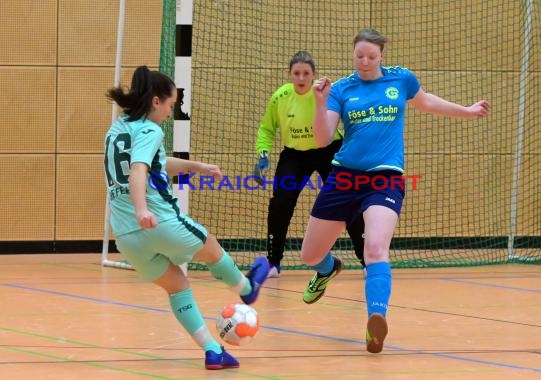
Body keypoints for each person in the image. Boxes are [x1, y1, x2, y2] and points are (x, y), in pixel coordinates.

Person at [299, 28, 490, 353]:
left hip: (385, 178)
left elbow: (427, 102)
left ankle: (376, 319)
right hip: (344, 178)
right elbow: (321, 138)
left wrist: (467, 110)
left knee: (375, 249)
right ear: (353, 54)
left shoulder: (401, 80)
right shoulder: (342, 89)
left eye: (371, 57)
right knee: (310, 255)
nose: (364, 61)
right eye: (359, 55)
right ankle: (328, 268)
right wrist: (318, 103)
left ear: (381, 56)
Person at [104, 66, 270, 370]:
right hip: (159, 221)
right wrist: (143, 208)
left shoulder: (116, 130)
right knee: (211, 247)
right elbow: (139, 169)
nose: (171, 111)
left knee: (177, 286)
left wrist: (196, 166)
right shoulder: (150, 129)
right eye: (170, 104)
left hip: (126, 237)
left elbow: (155, 162)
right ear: (156, 101)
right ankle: (247, 290)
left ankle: (212, 351)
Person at [253, 50, 366, 278]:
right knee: (280, 203)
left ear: (314, 75)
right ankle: (274, 262)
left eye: (306, 73)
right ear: (289, 74)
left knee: (349, 202)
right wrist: (262, 153)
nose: (302, 78)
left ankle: (366, 260)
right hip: (294, 155)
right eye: (297, 73)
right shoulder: (280, 97)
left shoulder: (324, 94)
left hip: (330, 151)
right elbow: (266, 128)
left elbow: (346, 119)